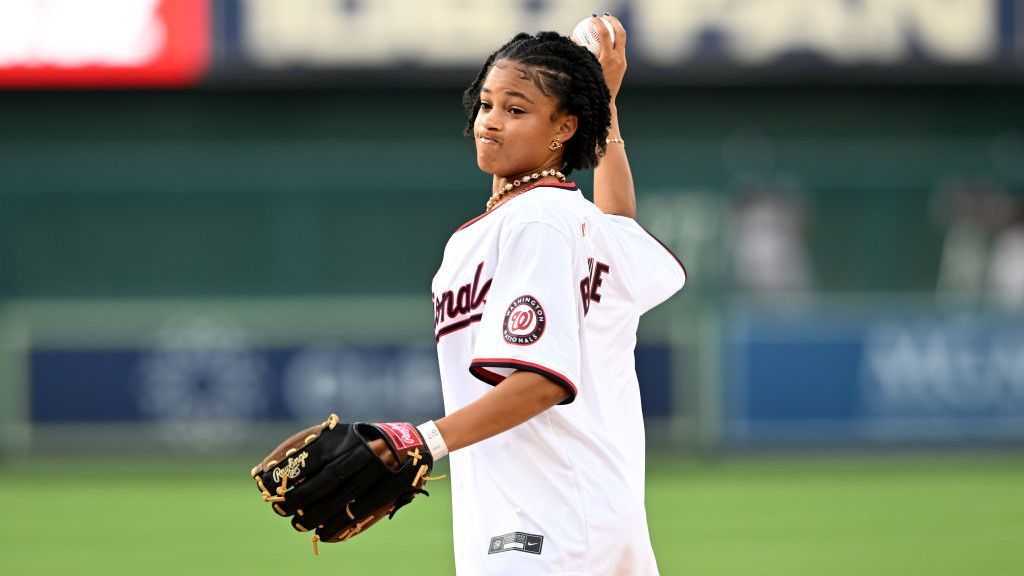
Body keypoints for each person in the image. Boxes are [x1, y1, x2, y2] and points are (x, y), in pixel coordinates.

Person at [374, 16, 685, 575]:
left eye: (515, 110)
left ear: (563, 128)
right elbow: (619, 223)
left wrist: (417, 444)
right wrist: (603, 109)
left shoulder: (538, 221)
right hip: (581, 517)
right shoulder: (572, 222)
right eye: (486, 105)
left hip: (544, 530)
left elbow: (540, 381)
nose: (490, 122)